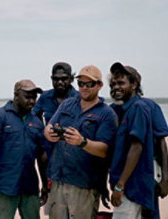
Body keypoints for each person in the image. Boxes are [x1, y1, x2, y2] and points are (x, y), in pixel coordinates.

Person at [44, 65, 118, 219]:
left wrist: (82, 142)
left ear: (99, 85)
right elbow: (49, 125)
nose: (84, 87)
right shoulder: (67, 104)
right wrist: (49, 133)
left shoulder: (107, 114)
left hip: (84, 185)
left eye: (89, 84)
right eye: (81, 84)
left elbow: (104, 150)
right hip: (58, 179)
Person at [0, 79, 48, 219]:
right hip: (4, 187)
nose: (32, 101)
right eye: (27, 96)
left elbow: (42, 155)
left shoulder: (36, 122)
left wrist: (45, 184)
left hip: (30, 186)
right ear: (16, 95)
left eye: (34, 97)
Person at [109, 63, 168, 219]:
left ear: (134, 84)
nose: (116, 87)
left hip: (134, 186)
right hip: (131, 185)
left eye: (121, 83)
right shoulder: (114, 110)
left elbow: (155, 144)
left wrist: (165, 179)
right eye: (113, 84)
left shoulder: (143, 107)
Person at [32, 62, 80, 215]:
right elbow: (34, 116)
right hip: (50, 152)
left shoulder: (78, 97)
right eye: (56, 78)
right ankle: (46, 188)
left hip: (72, 151)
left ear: (71, 79)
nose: (60, 82)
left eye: (64, 78)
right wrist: (42, 132)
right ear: (51, 79)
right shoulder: (45, 97)